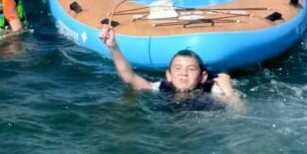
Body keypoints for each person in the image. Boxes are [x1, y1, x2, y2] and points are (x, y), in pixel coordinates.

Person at [98, 24, 242, 108]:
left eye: (191, 69)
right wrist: (113, 47)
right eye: (178, 68)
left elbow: (239, 112)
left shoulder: (213, 90)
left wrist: (228, 91)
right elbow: (129, 77)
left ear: (202, 76)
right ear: (169, 75)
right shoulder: (162, 87)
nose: (183, 73)